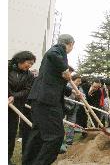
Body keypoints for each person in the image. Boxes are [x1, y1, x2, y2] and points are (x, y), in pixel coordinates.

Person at [22, 34, 83, 165]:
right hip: (47, 101)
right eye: (72, 46)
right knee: (55, 136)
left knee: (37, 135)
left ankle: (29, 162)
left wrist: (72, 91)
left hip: (40, 99)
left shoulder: (52, 63)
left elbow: (56, 82)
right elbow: (52, 54)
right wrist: (64, 68)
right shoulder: (58, 50)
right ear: (70, 44)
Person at [8, 51, 36, 165]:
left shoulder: (29, 75)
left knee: (10, 133)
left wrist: (13, 96)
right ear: (21, 59)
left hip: (15, 106)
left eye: (32, 64)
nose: (29, 66)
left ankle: (7, 158)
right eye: (29, 63)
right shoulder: (7, 67)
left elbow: (27, 90)